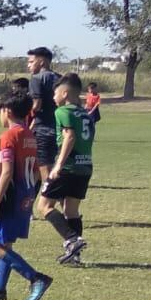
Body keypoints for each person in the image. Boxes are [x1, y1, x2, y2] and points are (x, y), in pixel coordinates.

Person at [0, 93, 54, 300]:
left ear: (6, 111)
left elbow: (7, 172)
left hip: (10, 196)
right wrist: (30, 195)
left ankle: (36, 278)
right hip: (25, 196)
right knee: (5, 244)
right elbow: (35, 170)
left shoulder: (8, 136)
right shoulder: (29, 135)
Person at [36, 73, 95, 266]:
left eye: (55, 93)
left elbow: (69, 137)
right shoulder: (85, 113)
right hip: (85, 166)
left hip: (67, 167)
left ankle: (72, 239)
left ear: (65, 93)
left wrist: (58, 166)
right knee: (71, 211)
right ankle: (74, 256)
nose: (53, 97)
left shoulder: (62, 112)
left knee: (44, 206)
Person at [26, 47, 60, 186]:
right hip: (58, 129)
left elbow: (37, 105)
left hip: (43, 130)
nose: (28, 65)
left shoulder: (36, 79)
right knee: (41, 170)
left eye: (31, 61)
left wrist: (23, 111)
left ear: (42, 62)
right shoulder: (59, 78)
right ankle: (27, 204)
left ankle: (63, 206)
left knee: (45, 173)